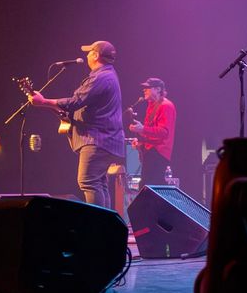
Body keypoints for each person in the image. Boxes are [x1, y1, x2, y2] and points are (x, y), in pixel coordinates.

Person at [30, 40, 125, 208]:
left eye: (89, 52)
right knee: (99, 183)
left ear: (96, 55)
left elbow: (75, 102)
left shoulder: (101, 77)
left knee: (88, 181)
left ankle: (96, 227)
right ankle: (104, 227)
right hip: (106, 140)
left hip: (98, 140)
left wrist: (44, 101)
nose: (86, 55)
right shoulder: (108, 75)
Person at [128, 77, 176, 186]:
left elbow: (164, 132)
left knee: (149, 186)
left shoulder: (166, 106)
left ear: (158, 89)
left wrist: (142, 129)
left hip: (158, 152)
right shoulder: (152, 105)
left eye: (147, 88)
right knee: (148, 186)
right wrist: (141, 139)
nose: (144, 90)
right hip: (151, 151)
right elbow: (151, 130)